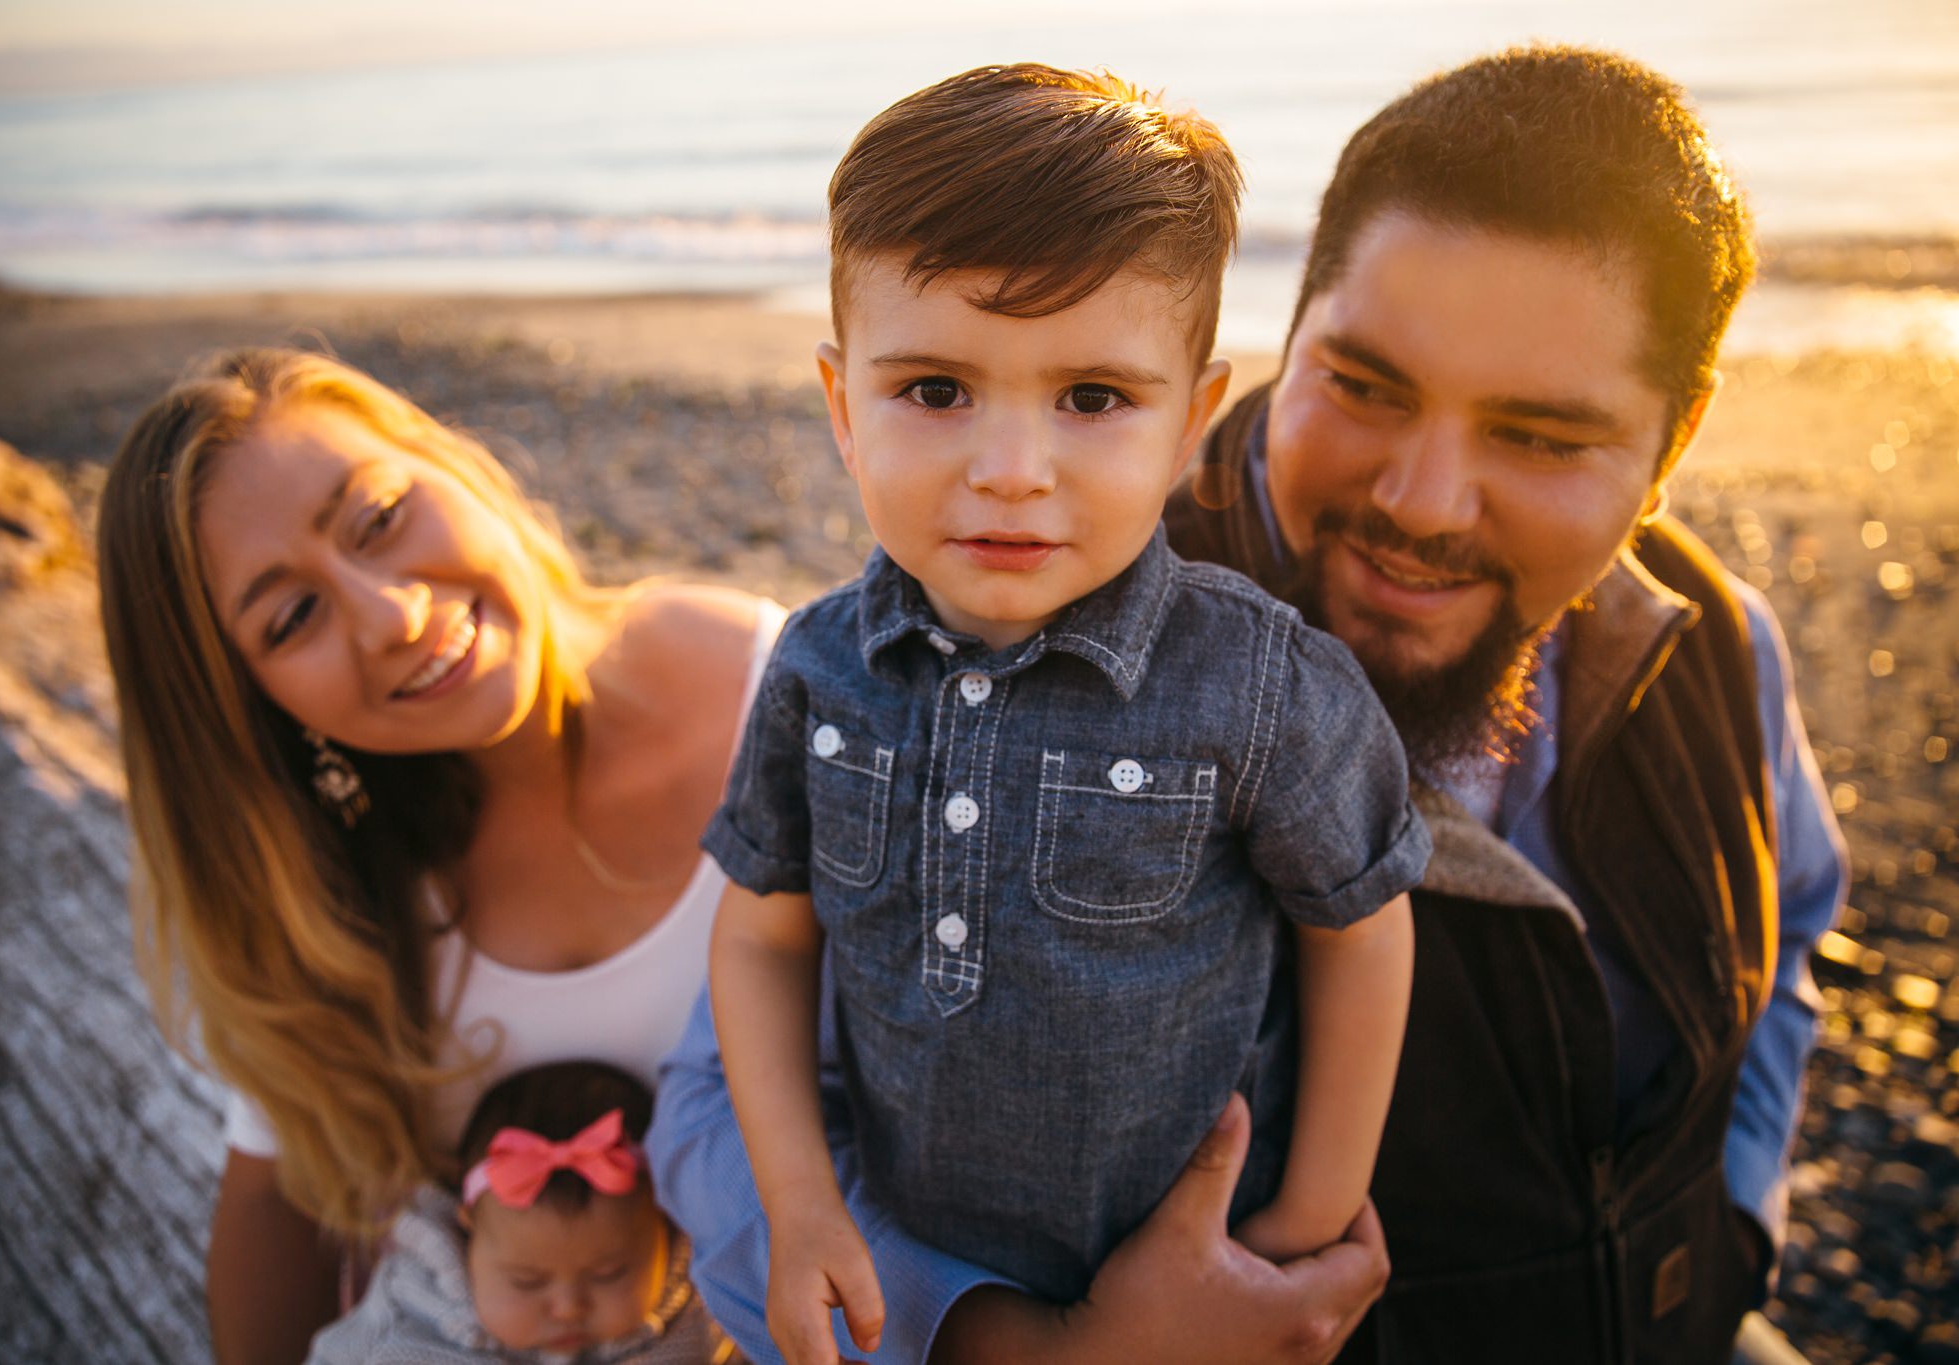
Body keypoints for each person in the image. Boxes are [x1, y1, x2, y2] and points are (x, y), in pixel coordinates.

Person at [650, 45, 1842, 1365]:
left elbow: (1791, 933)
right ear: (1287, 340)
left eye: (1541, 436)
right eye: (1365, 385)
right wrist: (1029, 1350)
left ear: (1674, 444)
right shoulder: (987, 628)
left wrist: (1738, 1227)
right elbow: (710, 1111)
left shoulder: (1718, 637)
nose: (1421, 501)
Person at [700, 64, 1427, 1365]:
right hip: (918, 1272)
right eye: (934, 390)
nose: (1011, 470)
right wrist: (799, 1200)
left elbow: (1363, 932)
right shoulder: (818, 670)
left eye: (1093, 399)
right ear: (841, 406)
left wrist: (1302, 1231)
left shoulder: (1254, 681)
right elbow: (760, 944)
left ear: (1193, 420)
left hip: (1198, 1284)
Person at [98, 348, 779, 1365]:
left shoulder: (766, 685)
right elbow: (277, 1199)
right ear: (251, 708)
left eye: (377, 518)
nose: (392, 615)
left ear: (447, 464)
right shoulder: (325, 902)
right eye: (292, 618)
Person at [307, 1060, 736, 1363]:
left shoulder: (699, 1313)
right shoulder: (407, 1320)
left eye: (609, 1274)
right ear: (468, 1230)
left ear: (664, 1227)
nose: (568, 1308)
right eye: (526, 1282)